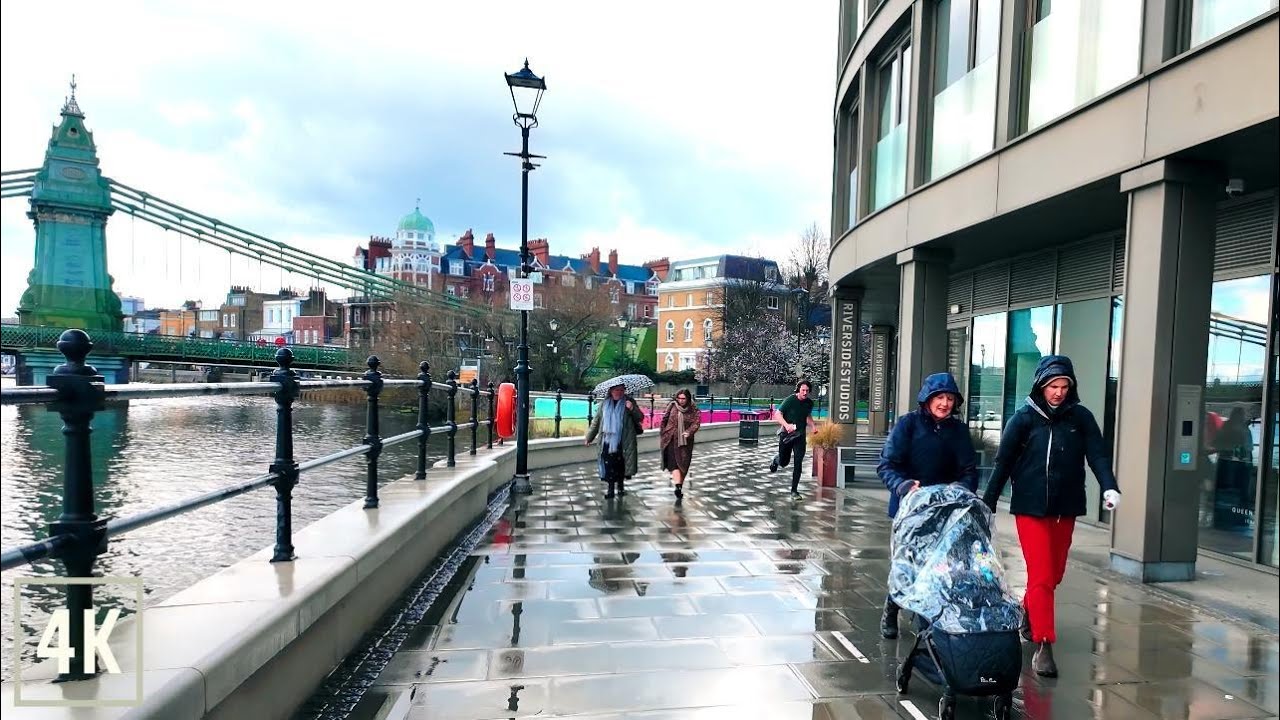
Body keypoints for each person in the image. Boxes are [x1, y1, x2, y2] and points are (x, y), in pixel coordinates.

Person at [981, 355, 1120, 678]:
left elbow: (1098, 455)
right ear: (1041, 385)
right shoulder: (1023, 420)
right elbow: (1003, 463)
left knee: (1053, 574)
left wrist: (1110, 486)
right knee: (1042, 575)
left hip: (1065, 508)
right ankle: (1044, 645)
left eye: (1063, 386)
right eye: (1052, 386)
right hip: (1030, 509)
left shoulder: (1081, 418)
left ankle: (1027, 611)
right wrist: (988, 504)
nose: (1058, 392)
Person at [877, 372, 979, 640]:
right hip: (911, 509)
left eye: (950, 398)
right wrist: (902, 485)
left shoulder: (959, 431)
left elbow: (969, 470)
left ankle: (929, 619)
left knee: (938, 567)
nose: (945, 403)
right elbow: (887, 465)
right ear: (928, 399)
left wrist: (961, 488)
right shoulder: (908, 424)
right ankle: (892, 608)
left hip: (945, 510)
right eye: (939, 397)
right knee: (907, 565)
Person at [585, 383, 644, 499]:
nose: (619, 392)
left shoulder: (629, 402)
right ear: (611, 391)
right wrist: (589, 437)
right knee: (609, 464)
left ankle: (621, 486)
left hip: (624, 440)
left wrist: (632, 408)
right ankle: (610, 489)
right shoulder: (604, 404)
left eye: (622, 390)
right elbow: (596, 422)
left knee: (621, 464)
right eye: (616, 390)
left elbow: (640, 417)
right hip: (607, 440)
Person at [769, 380, 818, 497]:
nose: (805, 393)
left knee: (798, 462)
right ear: (798, 390)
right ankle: (776, 460)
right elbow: (777, 414)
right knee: (784, 462)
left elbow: (807, 415)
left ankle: (794, 491)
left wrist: (813, 426)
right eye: (803, 390)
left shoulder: (809, 403)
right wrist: (786, 425)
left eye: (807, 391)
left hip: (800, 436)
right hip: (786, 435)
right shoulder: (790, 400)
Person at [660, 389, 701, 503]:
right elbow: (664, 419)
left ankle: (679, 486)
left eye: (683, 398)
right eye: (679, 398)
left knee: (683, 465)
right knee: (674, 464)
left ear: (688, 398)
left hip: (685, 442)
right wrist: (663, 432)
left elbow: (696, 423)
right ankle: (678, 487)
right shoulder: (672, 406)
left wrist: (689, 432)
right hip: (671, 439)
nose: (681, 401)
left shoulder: (693, 409)